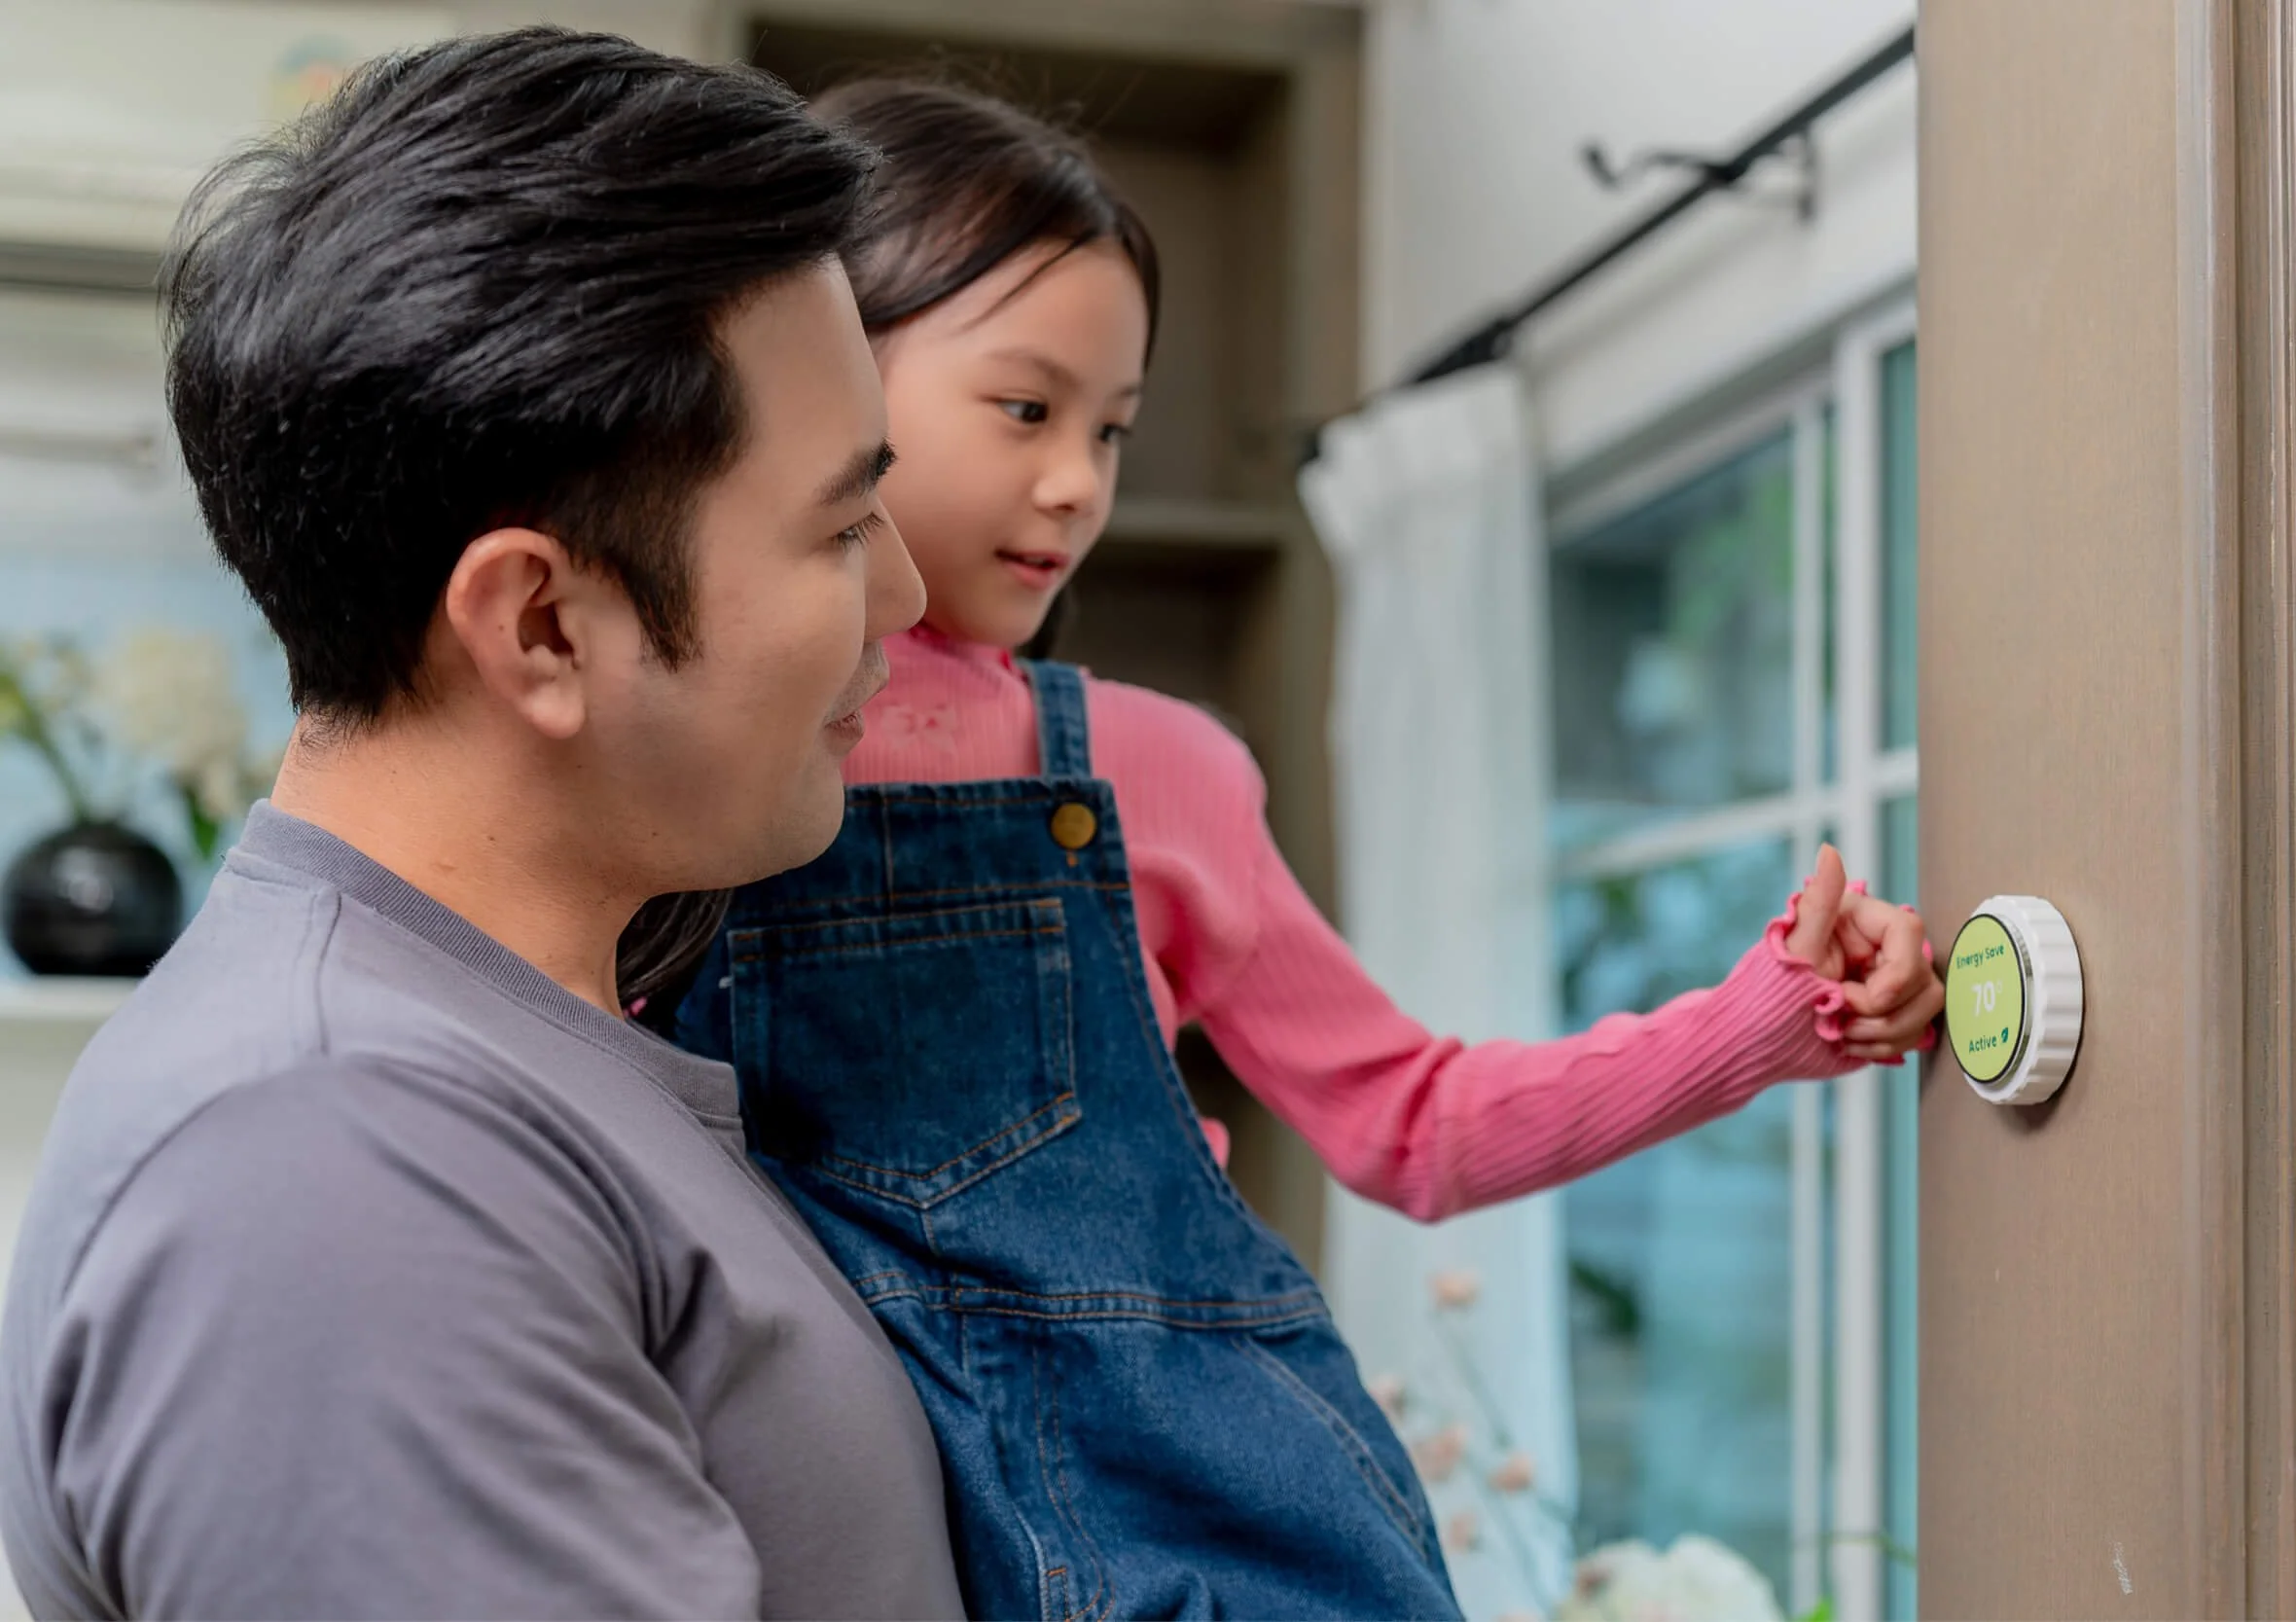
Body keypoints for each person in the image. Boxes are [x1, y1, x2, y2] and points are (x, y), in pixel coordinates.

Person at [657, 81, 1948, 1619]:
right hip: (824, 1516)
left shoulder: (1156, 770)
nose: (1078, 482)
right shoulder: (688, 754)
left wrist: (1760, 1023)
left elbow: (1416, 1121)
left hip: (1195, 1503)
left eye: (1113, 428)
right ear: (823, 375)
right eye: (1026, 408)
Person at [0, 30, 960, 1620]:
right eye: (843, 525)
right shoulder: (334, 1163)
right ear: (540, 624)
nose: (909, 597)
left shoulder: (484, 1064)